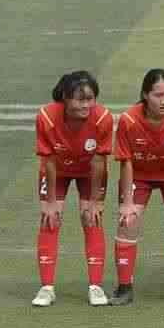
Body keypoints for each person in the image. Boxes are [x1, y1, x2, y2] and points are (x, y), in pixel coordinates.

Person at [110, 69, 164, 307]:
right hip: (139, 176)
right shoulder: (129, 120)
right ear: (145, 95)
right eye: (158, 95)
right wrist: (127, 204)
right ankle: (124, 288)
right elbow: (126, 162)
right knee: (128, 221)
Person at [30, 70, 114, 308]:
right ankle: (47, 288)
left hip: (89, 172)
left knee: (92, 218)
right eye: (80, 99)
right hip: (57, 170)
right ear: (65, 99)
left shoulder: (103, 118)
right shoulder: (46, 117)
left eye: (90, 99)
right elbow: (48, 161)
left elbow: (99, 162)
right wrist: (49, 201)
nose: (86, 105)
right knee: (50, 218)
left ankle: (95, 286)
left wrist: (96, 200)